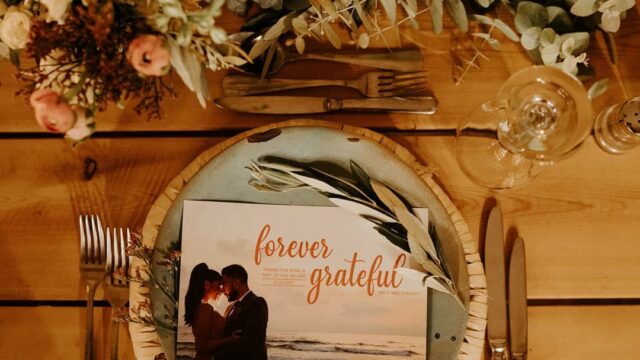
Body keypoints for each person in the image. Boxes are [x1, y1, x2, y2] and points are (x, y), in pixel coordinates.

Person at [184, 263, 238, 360]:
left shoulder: (204, 308)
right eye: (219, 286)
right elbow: (201, 347)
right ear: (207, 285)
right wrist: (230, 339)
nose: (221, 291)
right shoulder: (205, 308)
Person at [216, 264, 269, 360]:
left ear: (236, 283)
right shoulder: (230, 307)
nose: (223, 290)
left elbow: (250, 342)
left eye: (224, 284)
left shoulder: (257, 303)